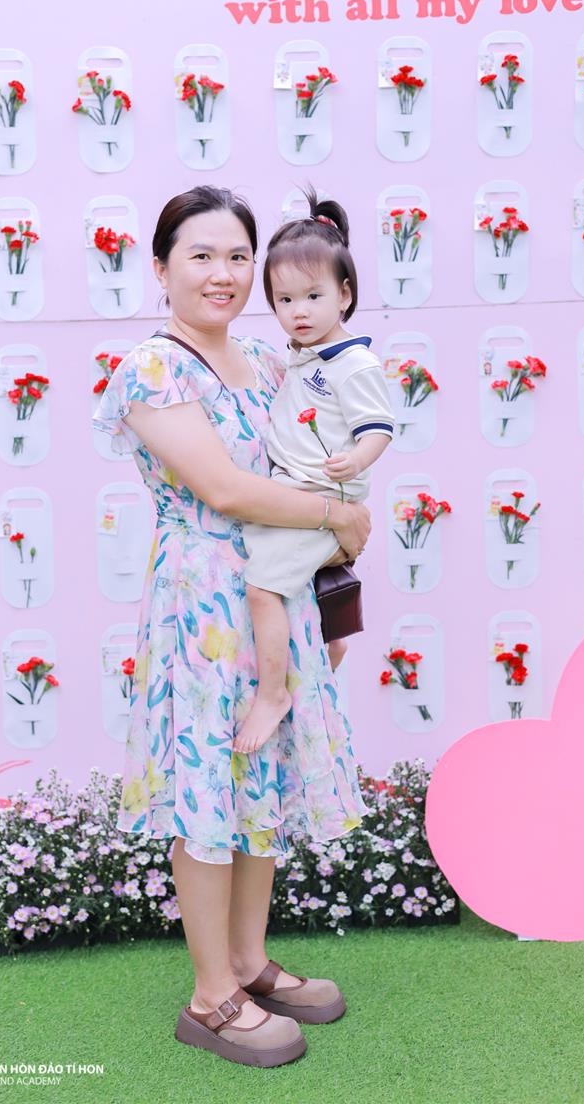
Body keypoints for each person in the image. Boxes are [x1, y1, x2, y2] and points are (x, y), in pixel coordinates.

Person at [92, 186, 370, 1068]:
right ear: (160, 267)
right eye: (201, 256)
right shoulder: (152, 369)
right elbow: (224, 489)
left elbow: (313, 450)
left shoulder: (261, 354)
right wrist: (335, 516)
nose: (223, 274)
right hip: (205, 601)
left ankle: (248, 963)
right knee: (209, 784)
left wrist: (328, 562)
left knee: (261, 778)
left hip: (275, 591)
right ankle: (210, 995)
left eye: (238, 257)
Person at [232, 189, 394, 755]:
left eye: (313, 296)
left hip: (319, 496)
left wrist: (358, 458)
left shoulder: (354, 363)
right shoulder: (304, 355)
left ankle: (273, 693)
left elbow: (379, 426)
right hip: (296, 494)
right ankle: (333, 643)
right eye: (284, 299)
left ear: (344, 295)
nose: (298, 311)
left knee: (262, 588)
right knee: (290, 583)